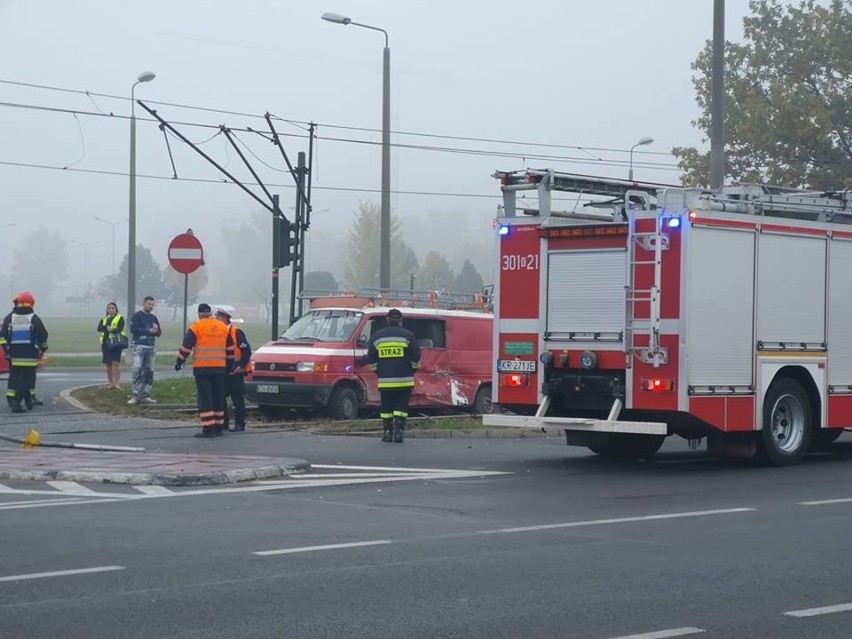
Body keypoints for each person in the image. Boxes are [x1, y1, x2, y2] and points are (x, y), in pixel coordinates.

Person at [357, 308, 421, 443]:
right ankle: (398, 433)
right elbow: (416, 356)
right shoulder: (408, 336)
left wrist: (378, 372)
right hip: (405, 381)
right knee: (401, 408)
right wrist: (412, 369)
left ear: (387, 320)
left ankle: (387, 433)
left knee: (386, 408)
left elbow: (371, 358)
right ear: (401, 320)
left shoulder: (377, 337)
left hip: (385, 381)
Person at [175, 303, 234, 438]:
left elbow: (186, 347)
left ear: (199, 314)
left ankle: (208, 428)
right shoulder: (222, 327)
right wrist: (230, 366)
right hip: (220, 368)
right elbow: (230, 349)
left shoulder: (196, 327)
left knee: (205, 398)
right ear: (210, 313)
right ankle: (219, 427)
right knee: (218, 397)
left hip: (203, 368)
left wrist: (179, 361)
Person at [0, 292, 49, 414]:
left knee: (15, 378)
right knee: (27, 380)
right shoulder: (34, 318)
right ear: (32, 303)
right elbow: (43, 335)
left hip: (14, 354)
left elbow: (2, 336)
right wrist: (42, 349)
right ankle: (18, 403)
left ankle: (15, 400)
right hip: (30, 354)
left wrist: (7, 350)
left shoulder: (9, 317)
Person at [216, 307, 252, 432]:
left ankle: (240, 424)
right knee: (221, 397)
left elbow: (246, 351)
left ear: (225, 318)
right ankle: (224, 423)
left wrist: (241, 366)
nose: (216, 319)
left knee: (237, 399)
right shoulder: (218, 332)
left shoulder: (236, 332)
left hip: (236, 371)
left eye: (218, 317)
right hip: (223, 371)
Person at [128, 295, 161, 405]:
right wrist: (148, 331)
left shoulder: (153, 318)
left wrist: (155, 331)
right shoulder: (137, 316)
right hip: (138, 346)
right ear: (144, 304)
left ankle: (146, 395)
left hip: (150, 347)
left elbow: (159, 332)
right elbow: (134, 329)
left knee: (149, 371)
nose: (151, 306)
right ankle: (135, 395)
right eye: (149, 304)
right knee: (137, 370)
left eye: (152, 304)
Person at [97, 302, 127, 389]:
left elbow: (119, 328)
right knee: (108, 364)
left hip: (115, 343)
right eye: (109, 308)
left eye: (112, 308)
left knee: (115, 363)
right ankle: (110, 383)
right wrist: (106, 328)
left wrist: (112, 330)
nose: (111, 310)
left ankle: (117, 382)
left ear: (116, 309)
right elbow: (99, 328)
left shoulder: (119, 318)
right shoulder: (104, 319)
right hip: (105, 343)